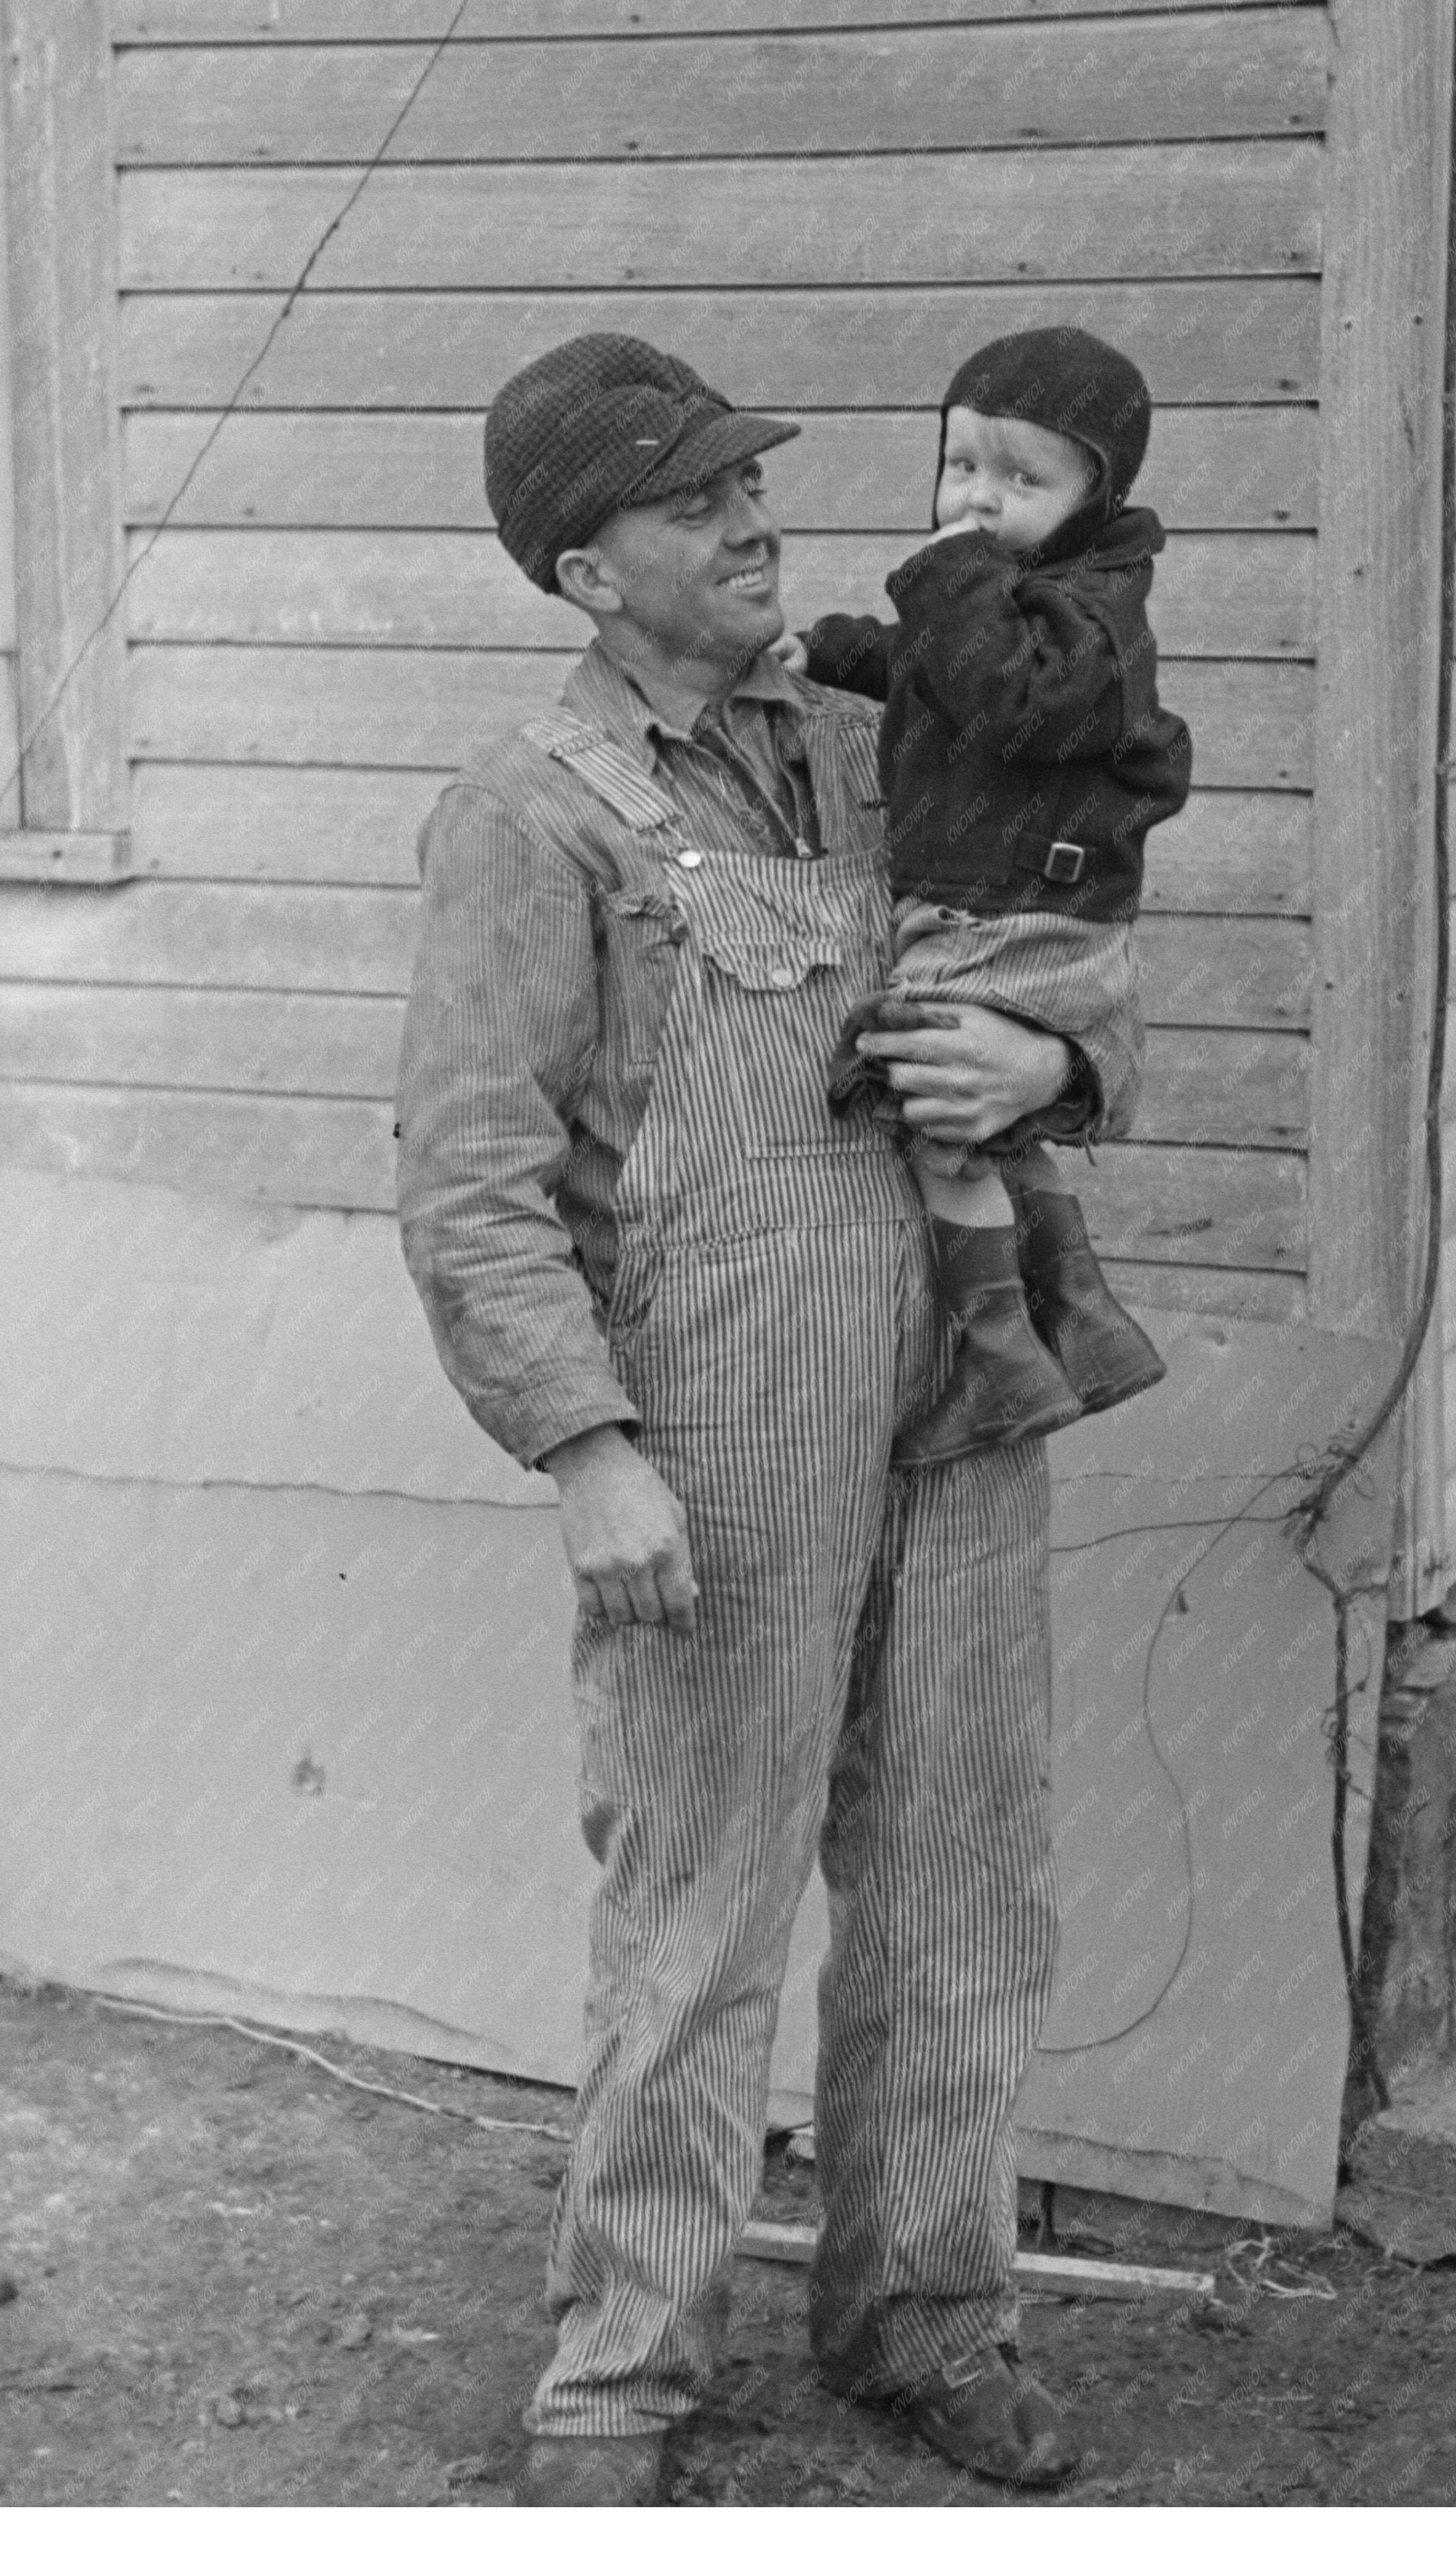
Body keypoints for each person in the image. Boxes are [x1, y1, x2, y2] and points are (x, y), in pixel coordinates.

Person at [395, 334, 1146, 2506]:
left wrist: (1061, 1073)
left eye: (750, 478)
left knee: (958, 1896)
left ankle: (929, 2318)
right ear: (580, 571)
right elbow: (467, 1178)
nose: (750, 516)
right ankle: (622, 2377)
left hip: (960, 1380)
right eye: (691, 495)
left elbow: (1085, 941)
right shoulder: (530, 819)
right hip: (719, 1422)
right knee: (699, 1912)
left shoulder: (890, 725)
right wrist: (586, 1447)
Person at [790, 324, 1192, 1468]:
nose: (977, 501)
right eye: (962, 465)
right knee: (998, 1127)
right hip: (1007, 900)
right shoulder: (1017, 595)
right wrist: (833, 650)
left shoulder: (1094, 615)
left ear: (1096, 494)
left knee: (936, 1118)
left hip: (1012, 908)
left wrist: (945, 570)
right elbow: (935, 671)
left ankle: (1000, 1359)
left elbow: (1009, 700)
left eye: (1023, 478)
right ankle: (1087, 1326)